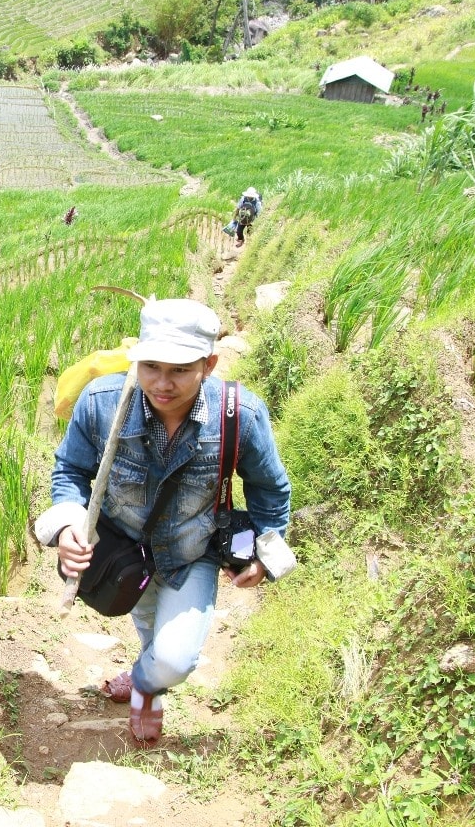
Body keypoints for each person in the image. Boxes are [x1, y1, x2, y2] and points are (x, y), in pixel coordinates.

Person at [34, 299, 291, 745]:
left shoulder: (240, 416)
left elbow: (271, 488)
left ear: (208, 365)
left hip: (193, 550)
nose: (162, 383)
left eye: (180, 370)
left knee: (174, 660)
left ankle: (147, 681)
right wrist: (70, 525)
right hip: (125, 549)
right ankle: (146, 675)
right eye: (151, 366)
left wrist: (266, 554)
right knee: (150, 622)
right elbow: (70, 471)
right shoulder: (102, 404)